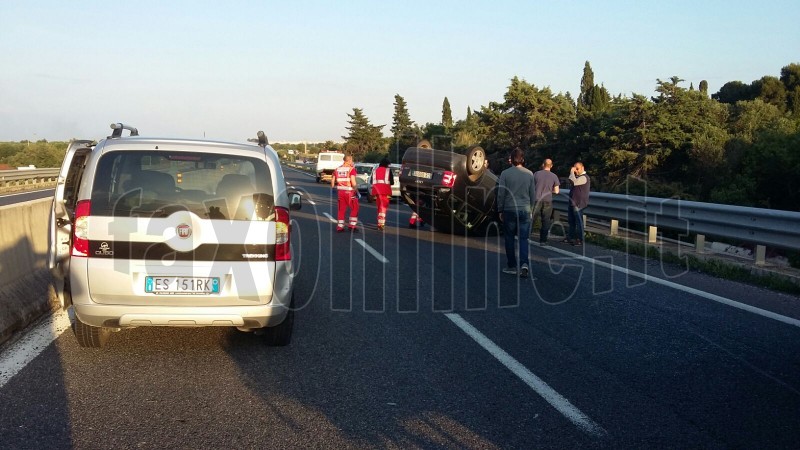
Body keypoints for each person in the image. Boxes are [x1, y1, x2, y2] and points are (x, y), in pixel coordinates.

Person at [496, 148, 536, 278]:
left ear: (511, 159)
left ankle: (512, 266)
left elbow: (501, 193)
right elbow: (533, 195)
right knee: (523, 239)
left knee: (509, 238)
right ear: (522, 159)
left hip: (509, 209)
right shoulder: (530, 174)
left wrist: (500, 209)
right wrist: (531, 209)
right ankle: (524, 264)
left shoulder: (505, 173)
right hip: (525, 209)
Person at [532, 158, 560, 245]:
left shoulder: (536, 174)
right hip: (547, 200)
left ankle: (525, 236)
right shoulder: (554, 176)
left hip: (537, 199)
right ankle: (543, 240)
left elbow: (531, 187)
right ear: (551, 166)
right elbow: (557, 191)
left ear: (543, 165)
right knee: (546, 220)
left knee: (532, 218)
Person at [331, 155, 359, 232]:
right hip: (350, 192)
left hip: (340, 192)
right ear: (349, 160)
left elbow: (333, 181)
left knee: (341, 210)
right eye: (352, 160)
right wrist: (356, 190)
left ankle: (340, 227)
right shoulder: (351, 169)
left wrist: (333, 188)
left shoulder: (337, 169)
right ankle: (352, 226)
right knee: (354, 208)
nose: (352, 162)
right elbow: (353, 182)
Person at [565, 162, 590, 246]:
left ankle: (580, 239)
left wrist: (571, 172)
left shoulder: (584, 177)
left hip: (579, 203)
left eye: (577, 169)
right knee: (571, 221)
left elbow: (574, 182)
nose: (576, 171)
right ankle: (570, 237)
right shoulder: (578, 177)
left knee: (579, 222)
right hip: (573, 202)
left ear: (582, 168)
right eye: (574, 168)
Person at [371, 158, 393, 231]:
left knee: (379, 207)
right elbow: (392, 182)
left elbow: (372, 181)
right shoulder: (388, 171)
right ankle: (381, 224)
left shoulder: (375, 171)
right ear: (387, 164)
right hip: (385, 191)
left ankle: (379, 223)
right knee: (383, 208)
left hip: (377, 191)